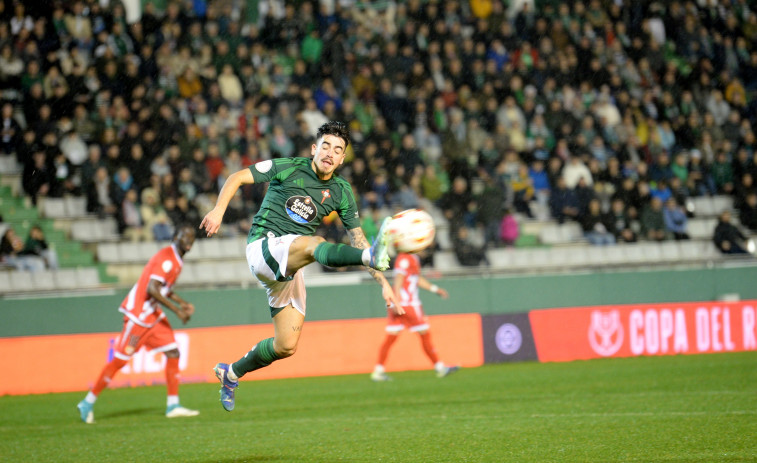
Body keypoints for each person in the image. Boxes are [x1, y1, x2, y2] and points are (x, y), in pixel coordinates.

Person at [199, 121, 401, 412]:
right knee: (313, 242)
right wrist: (219, 210)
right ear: (314, 148)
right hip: (263, 248)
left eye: (338, 149)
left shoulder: (342, 191)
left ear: (343, 158)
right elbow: (237, 177)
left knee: (286, 345)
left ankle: (230, 373)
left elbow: (357, 240)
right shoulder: (289, 166)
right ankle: (370, 257)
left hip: (290, 265)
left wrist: (384, 284)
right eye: (326, 146)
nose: (330, 153)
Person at [77, 225, 199, 423]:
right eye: (185, 235)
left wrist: (183, 304)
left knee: (173, 353)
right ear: (175, 236)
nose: (189, 240)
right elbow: (152, 289)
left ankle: (173, 405)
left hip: (154, 316)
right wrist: (177, 311)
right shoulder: (167, 258)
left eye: (192, 237)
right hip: (139, 318)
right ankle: (87, 402)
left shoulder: (176, 260)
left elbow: (164, 289)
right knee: (120, 361)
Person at [371, 251, 460, 381]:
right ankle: (440, 368)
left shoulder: (411, 258)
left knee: (390, 338)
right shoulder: (405, 258)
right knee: (425, 335)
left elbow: (416, 278)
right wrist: (397, 299)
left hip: (400, 303)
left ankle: (378, 371)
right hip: (409, 304)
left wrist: (435, 289)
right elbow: (399, 278)